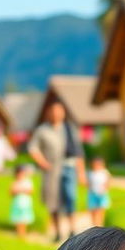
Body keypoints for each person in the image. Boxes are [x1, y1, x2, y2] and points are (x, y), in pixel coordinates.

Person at [28, 99, 86, 242]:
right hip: (52, 170)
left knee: (70, 197)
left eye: (59, 111)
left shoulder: (69, 128)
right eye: (53, 111)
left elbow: (78, 152)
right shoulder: (42, 130)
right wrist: (43, 162)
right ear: (49, 113)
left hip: (69, 167)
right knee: (53, 201)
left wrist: (81, 172)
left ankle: (72, 229)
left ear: (63, 112)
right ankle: (58, 231)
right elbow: (33, 148)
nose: (56, 114)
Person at [9, 162, 35, 238]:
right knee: (18, 219)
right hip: (17, 204)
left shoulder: (27, 182)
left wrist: (21, 190)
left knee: (24, 219)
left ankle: (23, 233)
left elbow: (30, 191)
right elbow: (11, 192)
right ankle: (19, 233)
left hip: (25, 204)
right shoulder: (14, 182)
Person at [86, 157, 111, 228]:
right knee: (93, 209)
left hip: (102, 194)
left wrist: (105, 188)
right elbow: (88, 182)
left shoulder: (104, 172)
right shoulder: (90, 173)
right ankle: (94, 224)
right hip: (93, 193)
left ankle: (101, 224)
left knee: (101, 209)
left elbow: (108, 181)